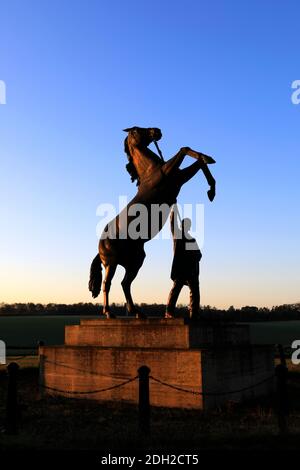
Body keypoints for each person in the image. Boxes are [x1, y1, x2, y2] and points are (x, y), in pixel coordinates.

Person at [165, 205, 202, 320]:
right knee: (176, 289)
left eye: (188, 225)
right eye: (184, 224)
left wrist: (194, 256)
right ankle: (169, 312)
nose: (186, 227)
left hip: (191, 270)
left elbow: (199, 255)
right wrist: (173, 210)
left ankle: (194, 312)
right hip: (180, 269)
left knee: (195, 291)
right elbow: (172, 223)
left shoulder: (191, 240)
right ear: (182, 225)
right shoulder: (178, 235)